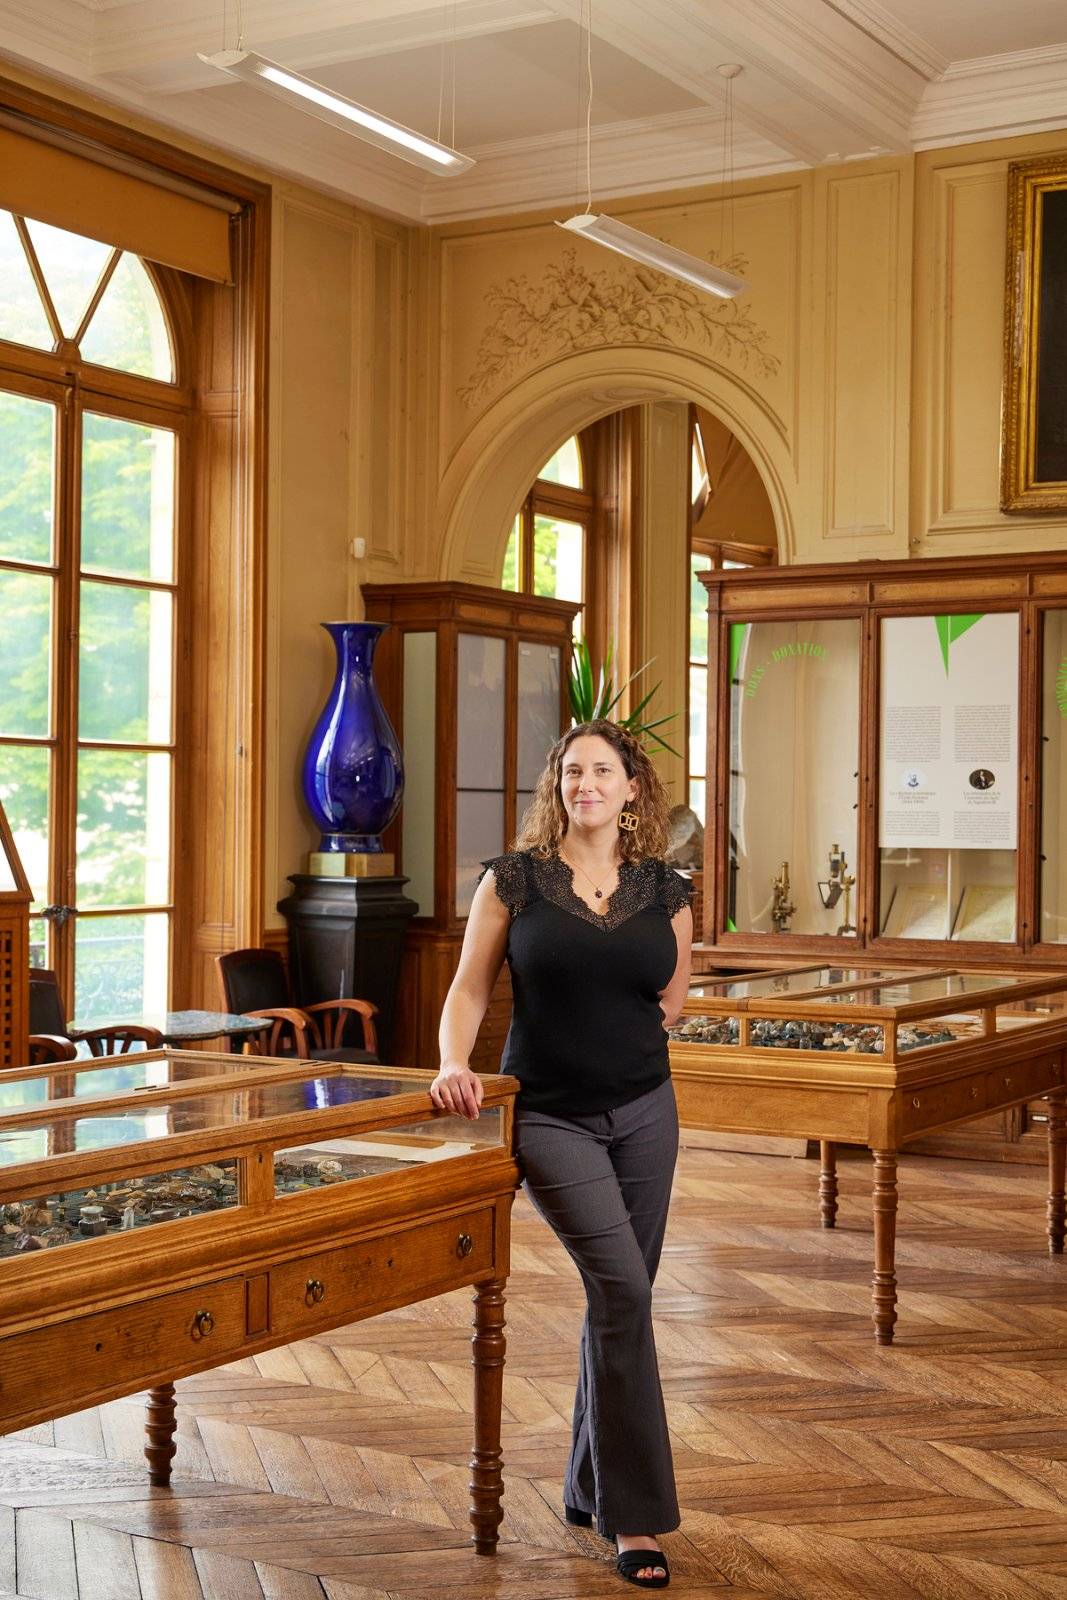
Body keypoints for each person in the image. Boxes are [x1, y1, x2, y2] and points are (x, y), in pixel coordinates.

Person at [431, 718, 693, 1590]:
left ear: (630, 789)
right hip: (548, 1117)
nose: (587, 784)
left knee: (622, 1299)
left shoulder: (666, 888)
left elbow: (672, 998)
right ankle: (635, 1518)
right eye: (572, 771)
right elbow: (469, 987)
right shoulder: (513, 881)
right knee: (623, 1290)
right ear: (557, 786)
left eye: (603, 771)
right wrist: (454, 1062)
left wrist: (625, 1039)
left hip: (648, 1113)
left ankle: (587, 1485)